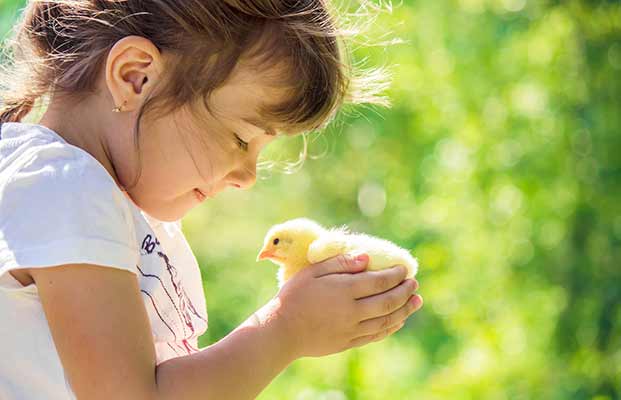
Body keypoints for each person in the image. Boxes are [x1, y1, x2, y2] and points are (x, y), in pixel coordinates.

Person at [0, 1, 424, 399]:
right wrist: (284, 331)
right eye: (241, 139)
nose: (248, 177)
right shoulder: (67, 187)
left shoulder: (94, 198)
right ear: (134, 77)